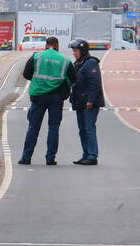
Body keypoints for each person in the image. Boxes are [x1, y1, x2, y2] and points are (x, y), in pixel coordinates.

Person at [19, 36, 76, 166]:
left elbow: (26, 74)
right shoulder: (65, 60)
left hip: (38, 96)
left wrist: (39, 81)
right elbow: (73, 78)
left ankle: (26, 157)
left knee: (33, 127)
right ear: (57, 45)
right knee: (53, 127)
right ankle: (50, 158)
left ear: (46, 45)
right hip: (56, 97)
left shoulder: (37, 56)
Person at [69, 39, 103, 166]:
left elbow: (95, 83)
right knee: (82, 129)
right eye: (73, 51)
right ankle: (86, 154)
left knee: (89, 129)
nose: (74, 53)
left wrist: (91, 100)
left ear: (82, 51)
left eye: (76, 51)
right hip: (79, 102)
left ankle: (92, 155)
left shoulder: (90, 63)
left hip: (88, 103)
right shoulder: (79, 63)